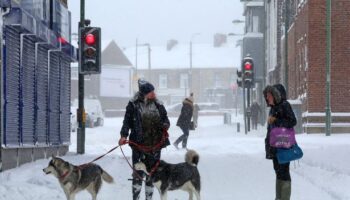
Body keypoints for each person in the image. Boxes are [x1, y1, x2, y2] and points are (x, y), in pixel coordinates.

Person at [119, 79, 170, 200]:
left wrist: (165, 125)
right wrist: (123, 136)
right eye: (151, 92)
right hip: (138, 145)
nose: (154, 94)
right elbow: (127, 122)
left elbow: (166, 119)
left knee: (151, 175)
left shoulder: (159, 104)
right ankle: (136, 198)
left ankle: (149, 198)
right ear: (144, 93)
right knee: (138, 174)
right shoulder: (133, 104)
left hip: (155, 145)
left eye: (154, 91)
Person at [263, 84, 297, 200]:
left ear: (275, 95)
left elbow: (292, 121)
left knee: (284, 173)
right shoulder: (272, 109)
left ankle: (284, 198)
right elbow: (270, 131)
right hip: (274, 148)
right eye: (266, 96)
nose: (267, 98)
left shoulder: (284, 105)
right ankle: (279, 198)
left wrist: (277, 121)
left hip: (283, 146)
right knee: (278, 173)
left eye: (269, 96)